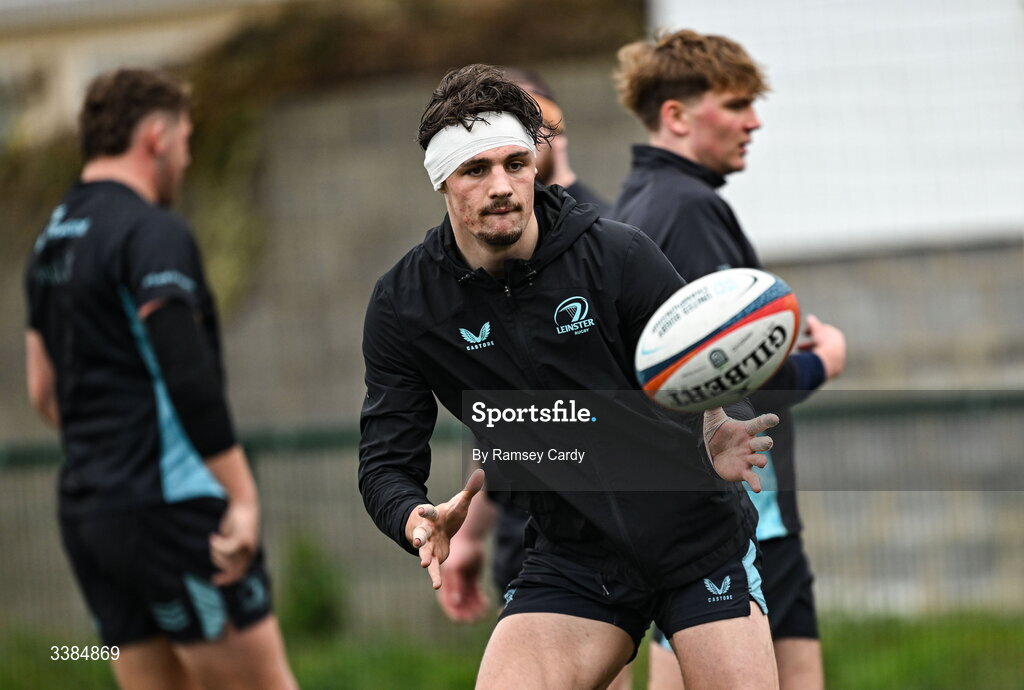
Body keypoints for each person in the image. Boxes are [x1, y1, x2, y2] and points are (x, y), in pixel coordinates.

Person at [359, 63, 783, 689]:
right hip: (574, 559)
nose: (501, 185)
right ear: (443, 180)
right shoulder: (407, 305)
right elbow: (384, 463)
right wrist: (413, 517)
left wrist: (718, 425)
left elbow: (712, 368)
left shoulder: (616, 255)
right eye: (476, 169)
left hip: (695, 540)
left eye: (515, 163)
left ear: (536, 164)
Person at [23, 69, 296, 690]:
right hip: (175, 512)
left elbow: (43, 391)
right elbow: (185, 371)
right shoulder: (153, 232)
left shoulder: (48, 243)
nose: (189, 156)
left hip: (91, 515)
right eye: (186, 139)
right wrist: (243, 496)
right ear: (155, 137)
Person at [611, 30, 847, 690]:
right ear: (678, 116)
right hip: (741, 510)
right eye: (737, 104)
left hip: (706, 503)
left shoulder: (640, 202)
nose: (754, 120)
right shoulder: (688, 209)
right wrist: (822, 361)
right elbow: (724, 376)